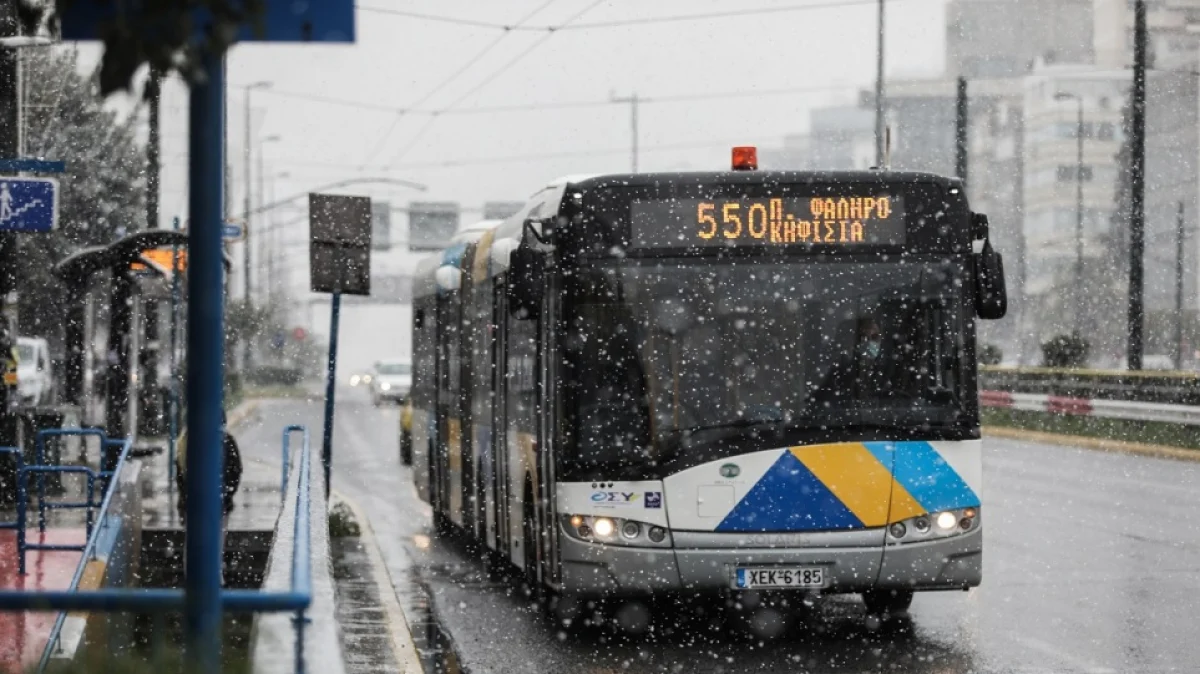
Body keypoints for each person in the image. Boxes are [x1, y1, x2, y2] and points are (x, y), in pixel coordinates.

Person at [175, 408, 243, 523]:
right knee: (218, 537)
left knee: (193, 538)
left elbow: (180, 475)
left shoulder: (185, 440)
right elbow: (235, 471)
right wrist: (226, 495)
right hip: (218, 503)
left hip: (192, 502)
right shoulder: (226, 439)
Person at [812, 315, 889, 405]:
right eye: (862, 337)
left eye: (875, 337)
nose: (868, 342)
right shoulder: (836, 376)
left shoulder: (887, 373)